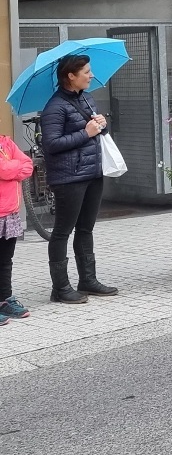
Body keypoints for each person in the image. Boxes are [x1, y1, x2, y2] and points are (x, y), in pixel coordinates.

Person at [41, 54, 118, 303]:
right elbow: (51, 144)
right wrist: (86, 133)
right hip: (69, 178)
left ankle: (88, 280)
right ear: (70, 76)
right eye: (86, 71)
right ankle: (60, 288)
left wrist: (102, 124)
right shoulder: (54, 107)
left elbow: (96, 131)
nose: (91, 75)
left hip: (92, 173)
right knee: (62, 232)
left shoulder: (85, 97)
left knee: (86, 229)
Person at [0, 133, 34, 324]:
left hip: (9, 212)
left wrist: (10, 167)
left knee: (5, 260)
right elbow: (2, 169)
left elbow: (28, 165)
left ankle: (4, 299)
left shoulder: (6, 142)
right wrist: (14, 167)